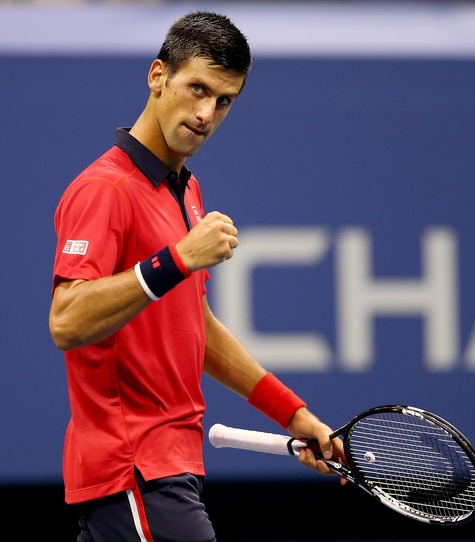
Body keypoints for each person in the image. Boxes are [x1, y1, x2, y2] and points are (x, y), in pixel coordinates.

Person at [49, 11, 344, 542]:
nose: (206, 113)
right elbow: (67, 322)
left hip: (168, 466)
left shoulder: (184, 190)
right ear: (158, 76)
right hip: (132, 468)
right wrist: (177, 258)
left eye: (224, 100)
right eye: (197, 89)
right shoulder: (104, 190)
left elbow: (194, 327)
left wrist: (293, 413)